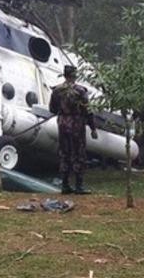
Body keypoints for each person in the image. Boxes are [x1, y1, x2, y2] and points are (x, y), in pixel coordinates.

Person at [49, 65, 98, 195]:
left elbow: (52, 109)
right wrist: (93, 128)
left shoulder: (57, 90)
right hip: (77, 124)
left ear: (64, 75)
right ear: (75, 75)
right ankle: (79, 186)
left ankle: (65, 185)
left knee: (64, 153)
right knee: (79, 154)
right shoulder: (81, 91)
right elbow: (88, 110)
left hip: (62, 124)